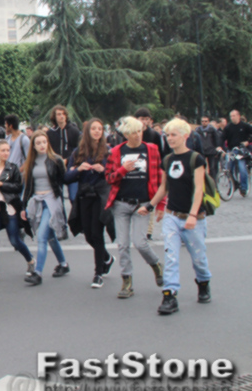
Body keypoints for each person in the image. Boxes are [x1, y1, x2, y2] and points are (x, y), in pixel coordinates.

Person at [142, 118, 212, 315]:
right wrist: (150, 206)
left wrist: (192, 215)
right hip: (172, 216)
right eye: (168, 135)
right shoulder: (168, 160)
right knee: (171, 256)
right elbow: (164, 187)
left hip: (193, 218)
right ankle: (169, 295)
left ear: (185, 136)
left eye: (174, 135)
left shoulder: (196, 159)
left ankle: (204, 281)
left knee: (198, 257)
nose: (170, 138)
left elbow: (199, 189)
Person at [105, 117, 165, 299]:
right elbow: (109, 178)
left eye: (140, 131)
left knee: (140, 242)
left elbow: (160, 178)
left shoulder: (151, 149)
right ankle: (127, 281)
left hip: (143, 204)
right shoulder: (116, 151)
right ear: (126, 134)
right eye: (133, 132)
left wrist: (159, 204)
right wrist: (123, 170)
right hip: (121, 203)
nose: (138, 135)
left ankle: (156, 265)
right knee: (122, 244)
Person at [65, 118, 115, 289]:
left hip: (100, 196)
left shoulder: (108, 151)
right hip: (84, 195)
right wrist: (79, 169)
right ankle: (107, 258)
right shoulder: (78, 152)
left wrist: (104, 170)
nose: (96, 131)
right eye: (93, 128)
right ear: (87, 131)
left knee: (97, 233)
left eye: (99, 129)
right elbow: (67, 177)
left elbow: (114, 175)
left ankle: (98, 273)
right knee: (87, 234)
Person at [20, 131, 70, 286]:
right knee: (50, 237)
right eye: (38, 143)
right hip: (36, 201)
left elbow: (64, 181)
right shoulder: (31, 162)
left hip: (51, 201)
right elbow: (28, 187)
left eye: (44, 142)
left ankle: (38, 273)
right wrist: (23, 206)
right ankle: (63, 265)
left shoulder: (56, 160)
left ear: (48, 143)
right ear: (33, 146)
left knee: (42, 236)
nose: (42, 145)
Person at [0, 139, 35, 282]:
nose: (6, 153)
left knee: (15, 240)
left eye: (8, 150)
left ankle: (30, 260)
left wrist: (1, 184)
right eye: (3, 150)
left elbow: (18, 187)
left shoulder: (12, 168)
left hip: (9, 208)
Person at [47, 105, 81, 204]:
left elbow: (78, 149)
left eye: (63, 114)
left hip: (70, 166)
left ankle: (75, 218)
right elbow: (49, 149)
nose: (61, 116)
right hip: (56, 167)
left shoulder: (74, 131)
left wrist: (68, 159)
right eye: (58, 114)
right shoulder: (50, 133)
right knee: (57, 197)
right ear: (54, 116)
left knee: (73, 197)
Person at [222, 109, 252, 196]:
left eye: (234, 116)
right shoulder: (228, 127)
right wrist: (220, 147)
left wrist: (248, 141)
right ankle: (234, 185)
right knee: (229, 169)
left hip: (241, 151)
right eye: (231, 116)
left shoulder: (245, 126)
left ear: (238, 116)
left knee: (242, 169)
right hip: (231, 150)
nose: (232, 118)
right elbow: (222, 138)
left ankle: (243, 187)